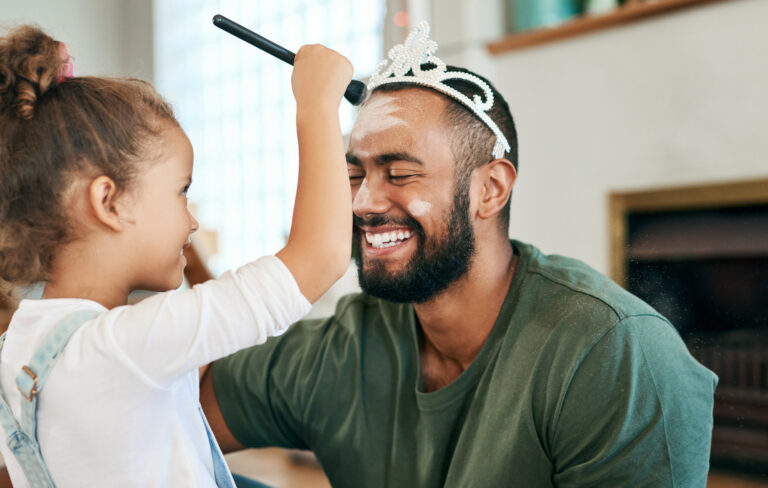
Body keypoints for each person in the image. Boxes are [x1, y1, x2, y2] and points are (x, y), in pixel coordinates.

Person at [202, 22, 718, 487]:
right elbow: (176, 413)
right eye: (355, 174)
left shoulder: (617, 355)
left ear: (491, 190)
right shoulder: (344, 344)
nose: (363, 202)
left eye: (400, 173)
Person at [0, 25, 353, 487]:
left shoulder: (23, 346)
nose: (191, 221)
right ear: (109, 202)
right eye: (181, 191)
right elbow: (321, 255)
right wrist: (317, 105)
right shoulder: (127, 345)